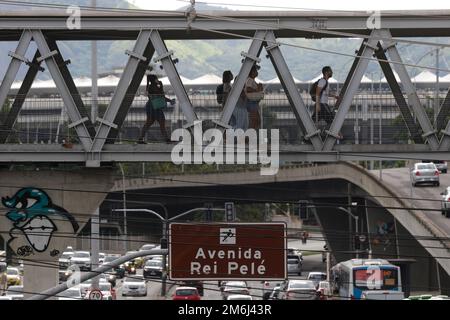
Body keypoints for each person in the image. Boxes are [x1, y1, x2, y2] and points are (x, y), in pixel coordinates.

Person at [138, 74, 175, 144]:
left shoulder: (149, 87)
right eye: (156, 79)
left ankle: (140, 138)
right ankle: (167, 139)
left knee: (149, 123)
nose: (158, 80)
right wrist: (161, 86)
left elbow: (159, 96)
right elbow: (161, 96)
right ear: (154, 80)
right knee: (161, 122)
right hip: (155, 107)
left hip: (151, 107)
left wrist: (161, 87)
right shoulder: (154, 87)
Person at [312, 66, 342, 138]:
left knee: (312, 122)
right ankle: (334, 133)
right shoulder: (323, 81)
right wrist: (318, 105)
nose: (332, 72)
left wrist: (335, 96)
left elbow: (326, 93)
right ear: (326, 72)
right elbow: (317, 92)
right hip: (322, 105)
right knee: (331, 119)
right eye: (330, 71)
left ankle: (308, 134)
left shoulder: (325, 82)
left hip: (321, 104)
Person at [245, 65, 264, 130]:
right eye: (255, 71)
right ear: (252, 72)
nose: (256, 72)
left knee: (256, 120)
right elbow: (248, 89)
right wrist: (257, 89)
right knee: (255, 121)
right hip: (252, 103)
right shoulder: (250, 80)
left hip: (253, 103)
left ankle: (250, 134)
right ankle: (249, 135)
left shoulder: (251, 80)